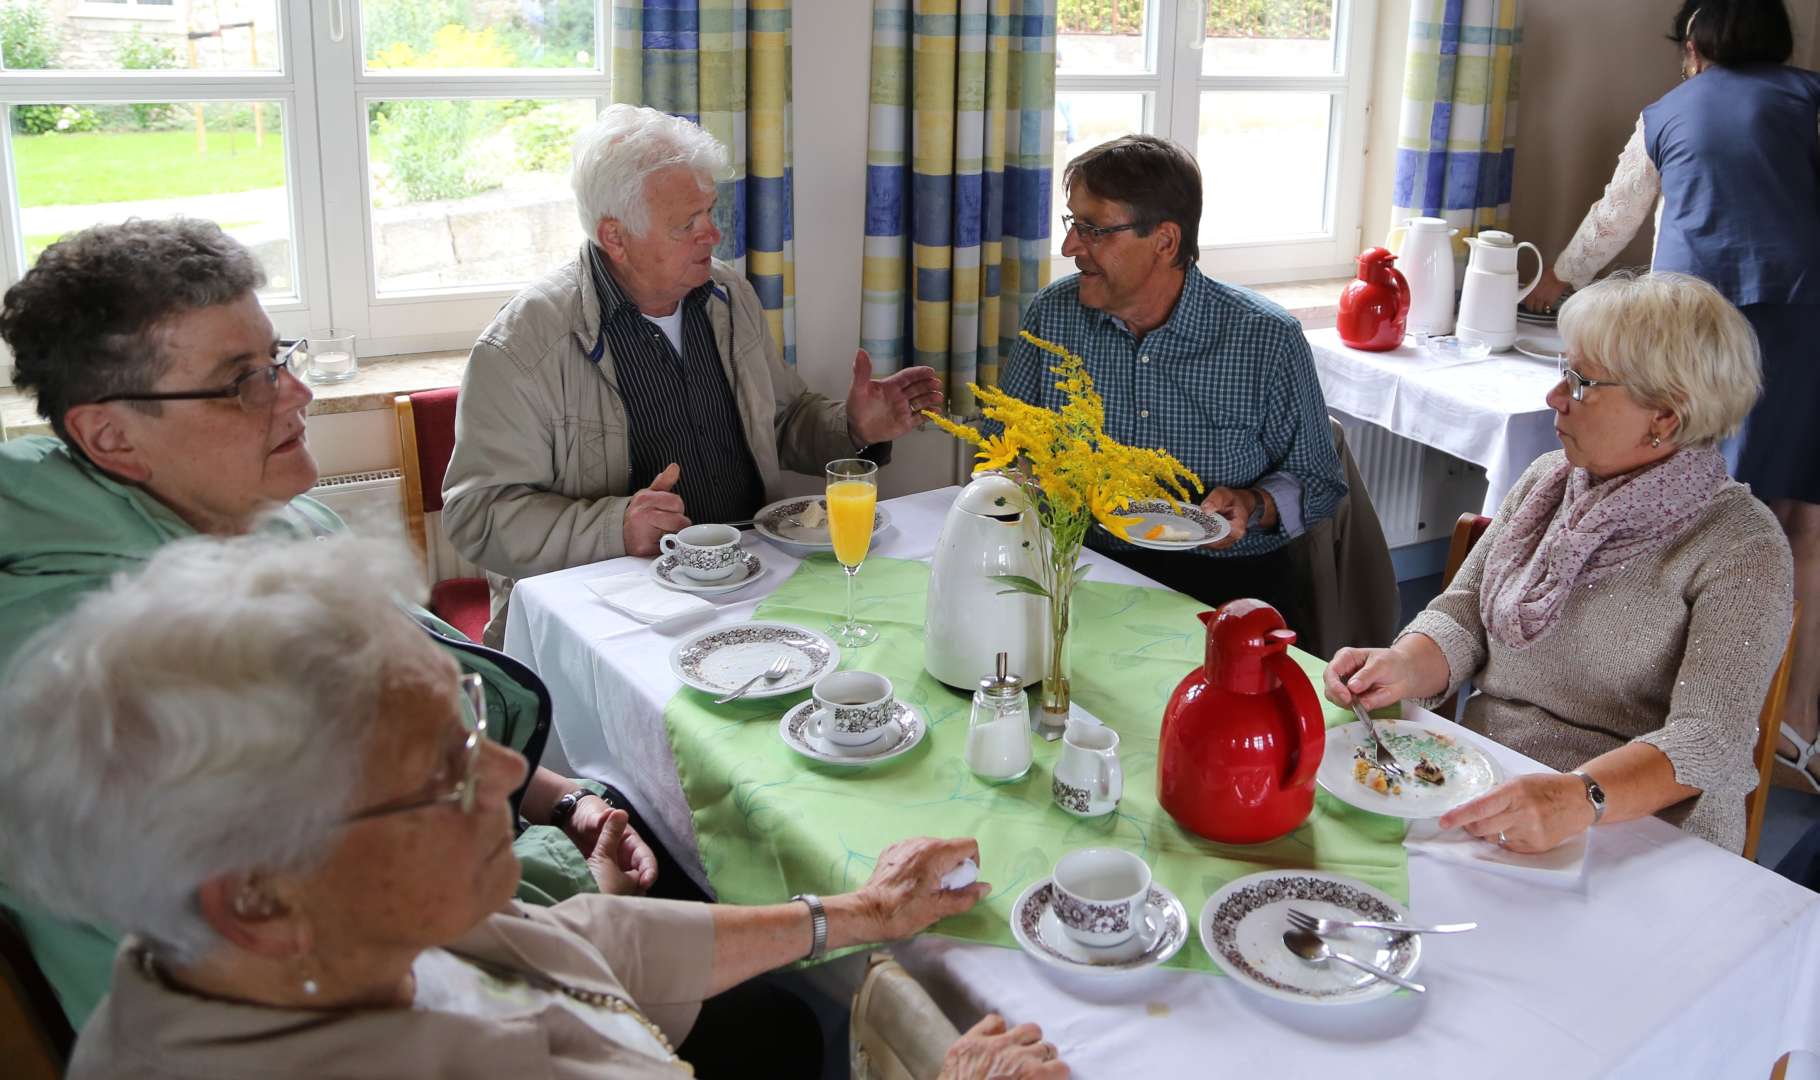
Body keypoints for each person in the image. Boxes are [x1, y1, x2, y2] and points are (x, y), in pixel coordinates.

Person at [0, 533, 1067, 1080]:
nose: (511, 776)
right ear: (260, 897)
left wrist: (857, 915)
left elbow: (581, 936)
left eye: (467, 725)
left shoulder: (323, 944)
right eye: (442, 773)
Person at [0, 219, 670, 1032]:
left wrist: (568, 806)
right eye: (240, 380)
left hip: (497, 892)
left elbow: (426, 731)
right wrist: (587, 891)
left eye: (276, 358)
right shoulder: (114, 674)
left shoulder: (280, 522)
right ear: (110, 435)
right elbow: (368, 967)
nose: (296, 393)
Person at [1325, 273, 1794, 855]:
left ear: (1665, 417)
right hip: (1493, 779)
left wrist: (1581, 797)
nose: (1556, 396)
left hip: (1639, 827)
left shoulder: (1742, 546)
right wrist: (1402, 665)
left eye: (1581, 381)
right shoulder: (1550, 479)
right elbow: (1465, 614)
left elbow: (1709, 741)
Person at [442, 104, 945, 646]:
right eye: (688, 224)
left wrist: (853, 427)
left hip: (751, 583)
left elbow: (781, 420)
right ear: (615, 236)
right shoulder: (523, 343)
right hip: (613, 615)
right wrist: (615, 527)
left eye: (710, 210)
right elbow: (477, 513)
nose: (713, 233)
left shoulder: (728, 298)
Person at [1524, 0, 1820, 791]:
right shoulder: (1808, 98)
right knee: (1793, 519)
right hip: (1800, 317)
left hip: (1685, 338)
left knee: (1679, 509)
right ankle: (1792, 726)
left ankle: (1664, 706)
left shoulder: (1667, 113)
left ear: (1692, 47)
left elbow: (1614, 217)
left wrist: (1562, 279)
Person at [999, 134, 1346, 629]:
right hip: (1086, 573)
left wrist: (1253, 504)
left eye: (1094, 229)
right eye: (1073, 223)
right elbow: (1003, 443)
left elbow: (1320, 482)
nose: (1070, 246)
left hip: (1228, 593)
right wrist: (1030, 473)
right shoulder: (1055, 315)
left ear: (1165, 241)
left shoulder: (1265, 338)